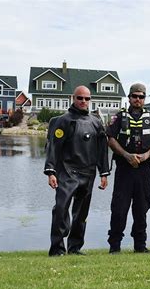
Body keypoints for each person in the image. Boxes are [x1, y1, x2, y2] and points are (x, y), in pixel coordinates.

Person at [44, 85, 110, 256]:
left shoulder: (96, 123)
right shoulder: (63, 121)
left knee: (81, 214)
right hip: (67, 171)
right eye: (80, 98)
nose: (83, 101)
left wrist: (104, 173)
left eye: (87, 98)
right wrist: (51, 171)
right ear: (73, 98)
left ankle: (75, 247)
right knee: (61, 209)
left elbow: (102, 150)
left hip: (88, 173)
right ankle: (57, 248)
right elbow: (53, 147)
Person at [106, 83, 150, 254]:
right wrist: (126, 155)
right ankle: (114, 246)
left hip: (143, 170)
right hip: (124, 169)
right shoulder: (119, 117)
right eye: (135, 96)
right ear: (129, 97)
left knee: (142, 208)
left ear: (144, 98)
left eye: (141, 96)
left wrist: (146, 155)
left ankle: (140, 246)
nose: (138, 99)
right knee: (119, 208)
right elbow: (110, 138)